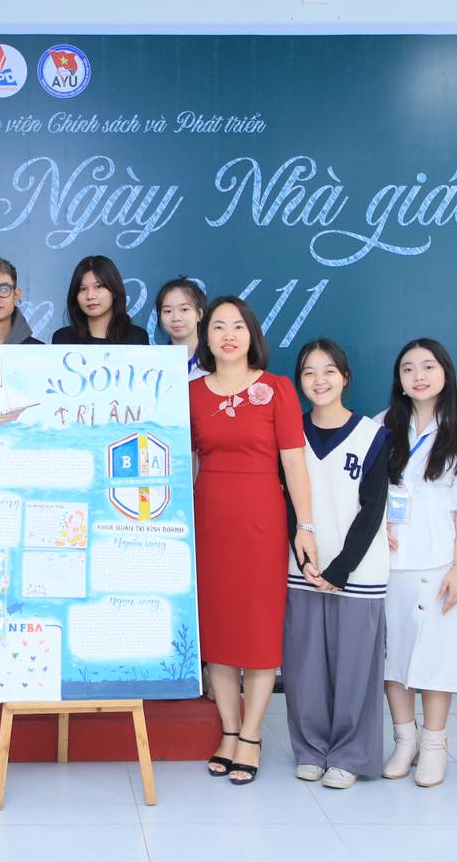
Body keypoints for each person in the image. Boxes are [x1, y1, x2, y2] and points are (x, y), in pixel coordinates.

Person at [189, 297, 313, 785]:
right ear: (206, 336)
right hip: (209, 520)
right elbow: (181, 460)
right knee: (219, 631)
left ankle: (253, 734)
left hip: (262, 519)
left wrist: (305, 527)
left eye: (237, 326)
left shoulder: (277, 389)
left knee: (258, 631)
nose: (228, 335)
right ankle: (228, 729)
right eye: (218, 326)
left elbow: (295, 461)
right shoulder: (191, 393)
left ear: (251, 334)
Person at [378, 339, 457, 787]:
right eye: (408, 369)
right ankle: (405, 740)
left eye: (428, 367)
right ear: (399, 380)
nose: (418, 376)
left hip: (440, 561)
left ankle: (435, 743)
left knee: (437, 654)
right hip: (387, 562)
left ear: (445, 373)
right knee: (394, 655)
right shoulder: (383, 425)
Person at [283, 338, 390, 790]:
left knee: (355, 669)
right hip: (303, 569)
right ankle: (310, 749)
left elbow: (373, 508)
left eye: (329, 371)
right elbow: (286, 499)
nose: (319, 380)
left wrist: (342, 568)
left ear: (345, 377)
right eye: (309, 372)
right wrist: (305, 559)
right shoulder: (290, 433)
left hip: (358, 572)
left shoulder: (373, 435)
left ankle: (350, 755)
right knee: (304, 667)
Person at [50, 255, 149, 345]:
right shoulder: (62, 339)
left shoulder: (137, 338)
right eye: (83, 289)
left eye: (98, 287)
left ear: (114, 291)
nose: (90, 296)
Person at [156, 276, 207, 379]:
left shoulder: (216, 360)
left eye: (184, 309)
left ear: (199, 314)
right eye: (167, 311)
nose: (176, 318)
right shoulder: (154, 363)